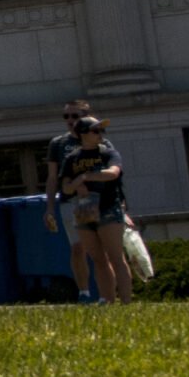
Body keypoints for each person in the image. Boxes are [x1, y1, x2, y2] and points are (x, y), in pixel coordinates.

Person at [58, 115, 135, 305]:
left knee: (116, 257)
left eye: (102, 130)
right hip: (84, 211)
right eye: (95, 130)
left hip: (108, 208)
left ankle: (126, 302)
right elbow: (66, 188)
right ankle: (108, 300)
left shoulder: (108, 153)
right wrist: (77, 184)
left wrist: (85, 177)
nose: (100, 134)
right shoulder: (72, 159)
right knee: (98, 259)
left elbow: (112, 173)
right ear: (83, 134)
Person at [42, 99, 97, 300]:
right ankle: (84, 292)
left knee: (101, 249)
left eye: (75, 116)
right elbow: (51, 177)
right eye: (66, 116)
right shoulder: (58, 144)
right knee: (77, 248)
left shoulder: (96, 140)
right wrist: (49, 208)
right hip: (69, 201)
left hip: (96, 201)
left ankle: (108, 294)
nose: (70, 120)